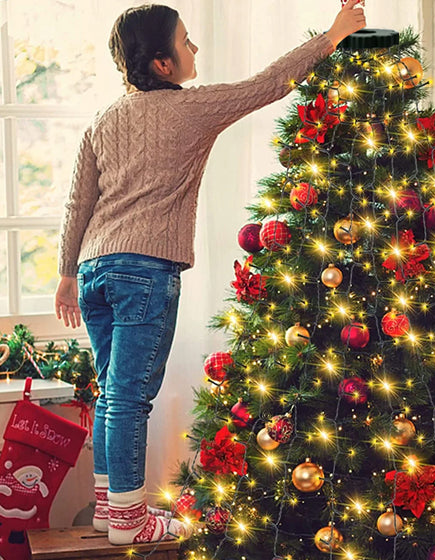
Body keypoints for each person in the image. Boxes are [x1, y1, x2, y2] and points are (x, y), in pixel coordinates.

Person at [55, 1, 366, 546]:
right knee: (129, 398)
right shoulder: (190, 109)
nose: (194, 48)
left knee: (111, 393)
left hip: (94, 268)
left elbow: (78, 203)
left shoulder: (104, 118)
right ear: (162, 66)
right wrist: (332, 37)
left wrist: (65, 275)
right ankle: (130, 520)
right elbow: (268, 83)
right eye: (186, 41)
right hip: (145, 269)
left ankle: (110, 507)